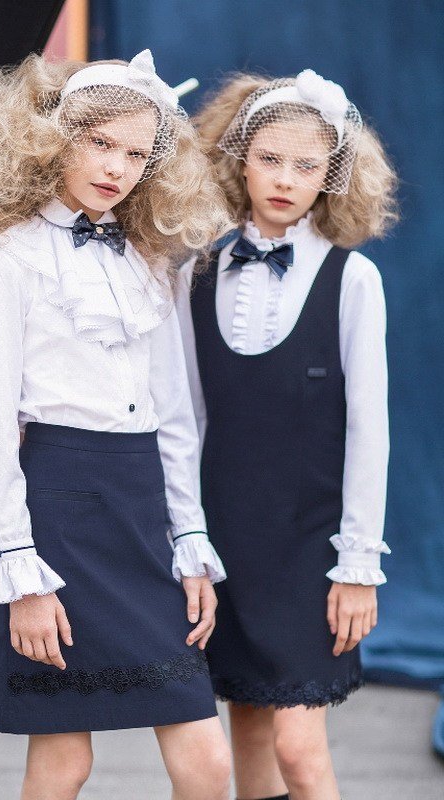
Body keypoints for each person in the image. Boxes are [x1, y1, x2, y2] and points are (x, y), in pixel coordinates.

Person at [0, 49, 232, 800]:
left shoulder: (147, 260)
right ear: (54, 138)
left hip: (144, 512)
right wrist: (19, 572)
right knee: (65, 763)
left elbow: (174, 417)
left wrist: (190, 541)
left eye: (137, 153)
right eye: (101, 143)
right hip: (59, 514)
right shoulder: (11, 258)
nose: (117, 167)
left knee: (205, 761)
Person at [176, 69, 398, 800]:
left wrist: (357, 566)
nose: (284, 179)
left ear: (331, 176)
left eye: (307, 166)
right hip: (225, 541)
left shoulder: (353, 279)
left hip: (311, 547)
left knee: (299, 749)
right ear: (239, 159)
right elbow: (188, 419)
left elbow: (370, 432)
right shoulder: (197, 271)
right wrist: (187, 539)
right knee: (246, 722)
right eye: (270, 158)